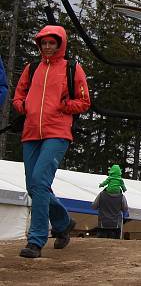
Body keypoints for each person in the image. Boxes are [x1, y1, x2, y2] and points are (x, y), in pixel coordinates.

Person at [12, 25, 91, 258]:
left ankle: (35, 241)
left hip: (57, 132)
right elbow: (19, 95)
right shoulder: (32, 67)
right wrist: (23, 106)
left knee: (38, 181)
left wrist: (65, 106)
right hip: (30, 133)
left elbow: (85, 101)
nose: (47, 47)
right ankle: (63, 222)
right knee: (34, 187)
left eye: (51, 43)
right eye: (43, 43)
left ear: (60, 44)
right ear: (39, 45)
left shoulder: (72, 68)